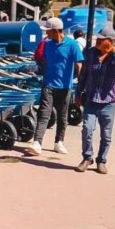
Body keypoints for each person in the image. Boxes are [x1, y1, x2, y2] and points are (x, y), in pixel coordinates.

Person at [74, 26, 115, 174]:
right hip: (91, 99)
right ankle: (87, 158)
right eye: (97, 38)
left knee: (106, 135)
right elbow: (84, 75)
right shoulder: (91, 53)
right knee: (87, 129)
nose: (97, 41)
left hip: (108, 102)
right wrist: (78, 93)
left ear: (110, 41)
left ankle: (101, 160)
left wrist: (114, 54)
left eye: (101, 39)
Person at [28, 17, 83, 156]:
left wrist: (80, 83)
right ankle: (37, 143)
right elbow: (45, 60)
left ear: (56, 31)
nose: (46, 34)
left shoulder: (72, 44)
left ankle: (59, 142)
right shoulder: (47, 44)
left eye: (48, 31)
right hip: (48, 85)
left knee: (62, 116)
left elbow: (79, 64)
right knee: (44, 114)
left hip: (65, 87)